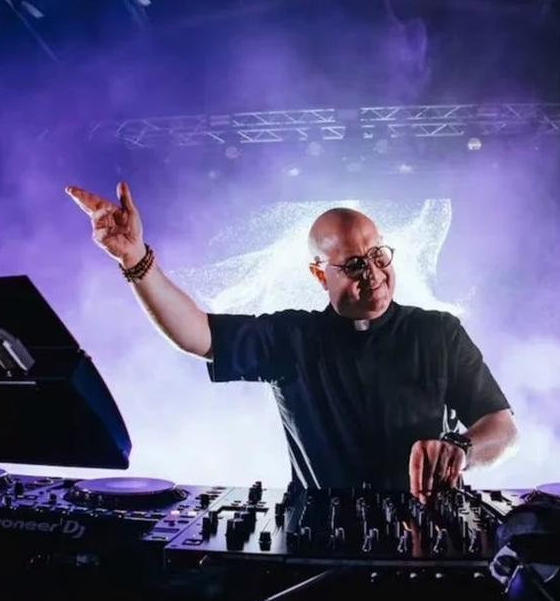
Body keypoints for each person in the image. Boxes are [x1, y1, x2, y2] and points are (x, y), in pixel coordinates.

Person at [66, 181, 518, 501]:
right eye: (355, 265)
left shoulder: (438, 331)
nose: (375, 275)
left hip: (426, 531)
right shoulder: (292, 337)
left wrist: (460, 451)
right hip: (319, 539)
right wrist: (135, 259)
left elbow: (502, 427)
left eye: (379, 256)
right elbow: (196, 335)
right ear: (320, 273)